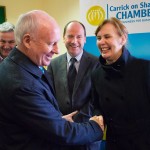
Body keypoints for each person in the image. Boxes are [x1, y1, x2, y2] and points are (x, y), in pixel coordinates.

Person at [0, 10, 104, 150]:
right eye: (51, 43)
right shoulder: (21, 84)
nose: (56, 50)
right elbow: (63, 133)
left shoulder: (21, 67)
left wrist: (55, 120)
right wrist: (96, 127)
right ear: (27, 41)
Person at [92, 17, 150, 150]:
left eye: (107, 36)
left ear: (122, 39)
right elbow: (96, 105)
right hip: (114, 144)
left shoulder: (144, 69)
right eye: (98, 38)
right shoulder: (96, 75)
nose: (102, 42)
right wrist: (98, 116)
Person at [47, 21, 100, 150]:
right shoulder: (53, 64)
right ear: (64, 38)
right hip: (60, 133)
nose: (74, 41)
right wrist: (60, 119)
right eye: (70, 36)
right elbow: (48, 95)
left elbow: (97, 98)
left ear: (85, 39)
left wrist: (75, 120)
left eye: (79, 36)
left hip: (86, 134)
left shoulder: (97, 63)